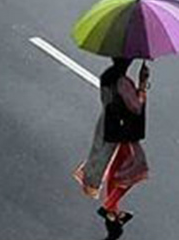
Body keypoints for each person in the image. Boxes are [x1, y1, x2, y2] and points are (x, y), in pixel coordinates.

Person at [75, 58, 150, 240]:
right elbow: (135, 108)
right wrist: (142, 86)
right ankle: (110, 205)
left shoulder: (107, 76)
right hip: (123, 133)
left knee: (116, 168)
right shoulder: (124, 83)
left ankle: (112, 208)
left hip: (109, 128)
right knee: (135, 169)